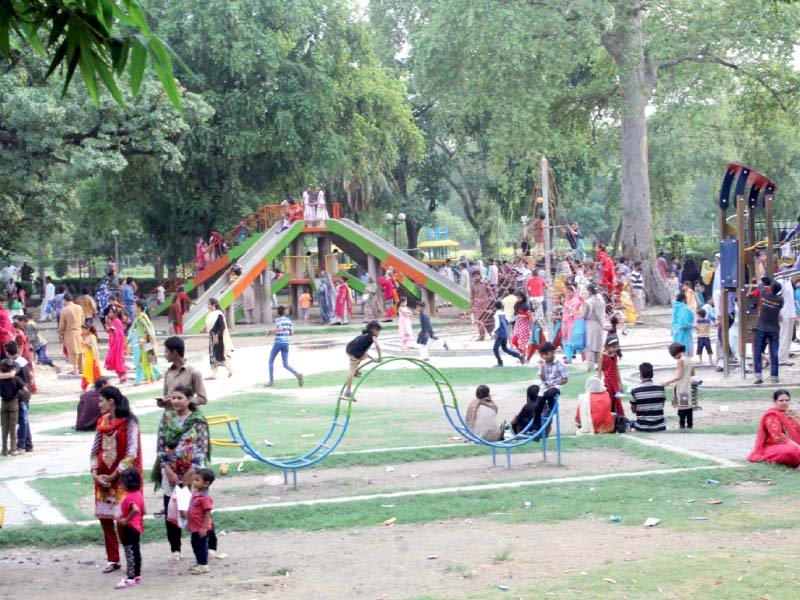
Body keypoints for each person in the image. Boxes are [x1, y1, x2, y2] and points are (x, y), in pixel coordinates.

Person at [153, 384, 210, 563]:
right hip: (171, 471)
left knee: (199, 510)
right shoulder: (166, 418)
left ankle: (208, 547)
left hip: (194, 474)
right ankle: (175, 549)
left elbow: (202, 446)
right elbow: (160, 445)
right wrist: (167, 469)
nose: (176, 401)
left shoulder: (197, 420)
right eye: (173, 398)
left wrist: (192, 471)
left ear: (189, 399)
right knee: (171, 510)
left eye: (180, 398)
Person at [90, 386, 143, 575]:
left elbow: (131, 453)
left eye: (101, 401)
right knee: (106, 520)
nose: (99, 404)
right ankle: (113, 559)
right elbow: (95, 450)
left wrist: (114, 475)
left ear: (111, 401)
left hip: (122, 479)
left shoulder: (129, 422)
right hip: (103, 477)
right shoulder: (101, 422)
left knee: (125, 520)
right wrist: (95, 472)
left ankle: (132, 558)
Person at [748, 389, 800, 468]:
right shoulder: (771, 415)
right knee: (791, 451)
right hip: (774, 446)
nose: (784, 402)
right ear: (775, 401)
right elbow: (778, 437)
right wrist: (797, 446)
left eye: (787, 400)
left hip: (795, 444)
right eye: (781, 400)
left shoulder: (791, 414)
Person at [528, 342, 567, 438]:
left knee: (549, 393)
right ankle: (535, 428)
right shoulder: (543, 363)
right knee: (537, 406)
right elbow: (542, 378)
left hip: (555, 387)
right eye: (543, 355)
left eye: (546, 354)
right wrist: (542, 368)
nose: (545, 357)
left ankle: (551, 407)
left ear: (553, 352)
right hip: (544, 386)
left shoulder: (560, 364)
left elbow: (565, 379)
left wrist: (554, 384)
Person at [115, 467, 145, 589]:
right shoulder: (138, 494)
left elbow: (135, 509)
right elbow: (143, 510)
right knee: (135, 551)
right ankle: (137, 575)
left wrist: (126, 520)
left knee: (130, 552)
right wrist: (139, 519)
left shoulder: (129, 497)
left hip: (129, 527)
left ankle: (130, 578)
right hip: (136, 526)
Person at [162, 337, 208, 408]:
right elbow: (165, 395)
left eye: (166, 351)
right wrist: (163, 402)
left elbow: (203, 399)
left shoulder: (193, 373)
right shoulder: (167, 373)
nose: (164, 355)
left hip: (186, 417)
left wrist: (184, 402)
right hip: (170, 416)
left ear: (174, 353)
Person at [753, 281, 783, 385]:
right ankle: (774, 377)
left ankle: (758, 376)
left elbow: (760, 284)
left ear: (770, 288)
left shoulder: (764, 295)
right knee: (774, 353)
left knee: (757, 352)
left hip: (761, 328)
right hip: (774, 329)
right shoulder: (780, 300)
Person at [266, 306, 304, 387]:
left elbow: (279, 329)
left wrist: (270, 331)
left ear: (278, 313)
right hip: (286, 343)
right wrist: (285, 333)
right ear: (284, 312)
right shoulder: (288, 321)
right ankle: (297, 374)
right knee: (285, 364)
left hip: (278, 342)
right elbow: (292, 333)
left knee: (271, 361)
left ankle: (271, 381)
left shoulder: (278, 320)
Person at [344, 321, 382, 398]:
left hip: (350, 349)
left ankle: (356, 370)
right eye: (379, 331)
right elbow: (377, 346)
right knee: (352, 370)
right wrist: (380, 357)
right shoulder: (372, 336)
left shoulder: (365, 335)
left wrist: (372, 358)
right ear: (374, 330)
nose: (379, 334)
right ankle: (348, 391)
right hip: (354, 352)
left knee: (364, 356)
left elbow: (364, 351)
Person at [188, 468, 216, 575]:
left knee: (200, 546)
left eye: (197, 480)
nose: (194, 482)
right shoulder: (197, 494)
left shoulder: (205, 497)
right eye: (194, 479)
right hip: (195, 527)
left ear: (206, 483)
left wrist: (204, 528)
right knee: (195, 544)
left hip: (201, 528)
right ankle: (199, 563)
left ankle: (203, 565)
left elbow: (207, 512)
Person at [662, 342, 695, 429]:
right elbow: (692, 373)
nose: (674, 358)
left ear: (677, 353)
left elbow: (679, 376)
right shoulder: (689, 358)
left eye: (674, 356)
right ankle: (690, 425)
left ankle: (682, 426)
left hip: (682, 387)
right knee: (688, 407)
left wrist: (667, 382)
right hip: (688, 386)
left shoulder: (680, 361)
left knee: (682, 408)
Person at [629, 362, 667, 432]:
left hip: (642, 427)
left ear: (641, 374)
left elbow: (633, 410)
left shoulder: (635, 390)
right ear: (652, 374)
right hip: (660, 426)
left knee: (630, 424)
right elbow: (661, 405)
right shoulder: (660, 388)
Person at [0, 359, 26, 455]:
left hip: (3, 403)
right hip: (14, 402)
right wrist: (19, 394)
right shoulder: (16, 379)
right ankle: (13, 449)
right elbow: (25, 389)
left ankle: (4, 449)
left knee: (4, 428)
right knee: (13, 427)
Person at [132, 300, 161, 385]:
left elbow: (146, 328)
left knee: (144, 361)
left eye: (134, 306)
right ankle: (152, 377)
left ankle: (148, 378)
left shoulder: (141, 317)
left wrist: (143, 340)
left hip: (145, 341)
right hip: (147, 341)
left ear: (138, 308)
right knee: (148, 360)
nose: (133, 307)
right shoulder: (141, 316)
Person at [205, 298, 233, 379]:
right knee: (212, 355)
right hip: (211, 337)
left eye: (209, 304)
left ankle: (230, 370)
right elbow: (211, 325)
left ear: (214, 305)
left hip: (218, 337)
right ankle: (214, 375)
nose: (207, 306)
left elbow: (222, 327)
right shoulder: (211, 314)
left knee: (219, 356)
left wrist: (217, 337)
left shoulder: (218, 314)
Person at [58, 293, 85, 374]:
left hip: (70, 332)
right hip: (80, 330)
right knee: (81, 350)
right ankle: (82, 368)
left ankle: (75, 369)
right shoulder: (79, 307)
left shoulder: (65, 310)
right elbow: (83, 319)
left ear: (65, 300)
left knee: (73, 351)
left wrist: (60, 331)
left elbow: (62, 324)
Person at [491, 300, 523, 367]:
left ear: (495, 307)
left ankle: (500, 362)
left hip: (500, 334)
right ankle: (519, 356)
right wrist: (515, 318)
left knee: (495, 348)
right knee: (505, 348)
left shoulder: (496, 315)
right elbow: (507, 322)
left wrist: (493, 332)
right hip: (505, 334)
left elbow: (497, 325)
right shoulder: (503, 314)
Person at [582, 283, 606, 371]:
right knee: (598, 346)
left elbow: (584, 315)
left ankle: (590, 366)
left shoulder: (588, 302)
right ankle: (599, 365)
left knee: (590, 346)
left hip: (591, 324)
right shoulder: (601, 300)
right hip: (600, 324)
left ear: (590, 291)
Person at [600, 338, 624, 416]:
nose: (615, 349)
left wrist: (620, 383)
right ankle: (609, 418)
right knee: (609, 400)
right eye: (613, 347)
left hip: (615, 382)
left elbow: (616, 369)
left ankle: (619, 419)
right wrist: (599, 384)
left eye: (615, 347)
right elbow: (599, 371)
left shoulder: (615, 355)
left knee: (618, 400)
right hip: (607, 382)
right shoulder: (603, 356)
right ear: (607, 347)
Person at [104, 309, 128, 384]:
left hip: (117, 344)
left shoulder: (116, 321)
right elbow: (111, 331)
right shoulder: (114, 321)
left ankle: (123, 374)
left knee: (115, 360)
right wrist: (107, 325)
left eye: (111, 312)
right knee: (115, 360)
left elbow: (119, 333)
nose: (109, 314)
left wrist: (111, 329)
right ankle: (122, 377)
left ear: (115, 313)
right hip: (114, 343)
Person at [778, 271, 796, 366]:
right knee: (783, 336)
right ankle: (781, 358)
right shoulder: (780, 281)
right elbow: (777, 297)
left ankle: (785, 357)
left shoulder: (789, 281)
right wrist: (779, 312)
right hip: (784, 313)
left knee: (789, 337)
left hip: (791, 313)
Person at [470, 273, 494, 341]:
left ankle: (491, 335)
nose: (475, 277)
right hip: (477, 306)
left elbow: (491, 293)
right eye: (474, 276)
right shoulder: (472, 285)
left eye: (477, 276)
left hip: (485, 305)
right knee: (479, 321)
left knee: (487, 320)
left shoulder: (485, 283)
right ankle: (481, 336)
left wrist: (490, 302)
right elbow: (472, 296)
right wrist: (471, 306)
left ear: (480, 276)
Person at [671, 292, 695, 358]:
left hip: (676, 332)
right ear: (683, 299)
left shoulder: (675, 308)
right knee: (684, 351)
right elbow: (683, 323)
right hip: (684, 333)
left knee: (678, 352)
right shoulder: (684, 308)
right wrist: (693, 325)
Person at [80, 323, 102, 390]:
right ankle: (85, 386)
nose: (82, 331)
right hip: (87, 355)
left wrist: (85, 344)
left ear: (88, 329)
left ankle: (96, 383)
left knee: (93, 369)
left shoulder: (92, 336)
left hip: (92, 356)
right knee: (87, 370)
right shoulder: (85, 336)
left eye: (84, 329)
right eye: (82, 330)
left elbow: (93, 346)